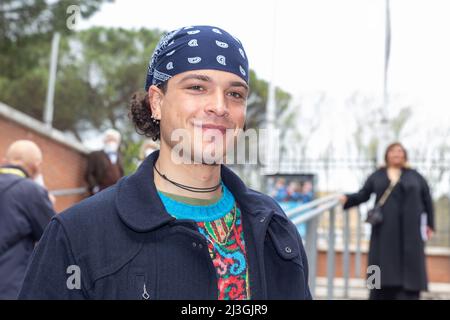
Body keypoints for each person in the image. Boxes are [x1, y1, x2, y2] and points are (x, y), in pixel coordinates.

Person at [18, 25, 311, 300]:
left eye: (235, 94)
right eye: (197, 87)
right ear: (157, 102)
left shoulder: (273, 225)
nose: (220, 107)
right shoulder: (78, 234)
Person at [339, 142, 434, 300]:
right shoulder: (377, 175)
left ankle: (409, 293)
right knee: (377, 260)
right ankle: (375, 291)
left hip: (410, 231)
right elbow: (364, 194)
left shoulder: (416, 176)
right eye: (392, 151)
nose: (396, 154)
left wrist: (430, 224)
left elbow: (427, 200)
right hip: (383, 230)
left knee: (411, 261)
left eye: (400, 151)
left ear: (405, 155)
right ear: (387, 155)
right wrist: (348, 198)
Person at [0, 140, 55, 299]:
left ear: (5, 161)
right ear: (37, 166)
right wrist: (46, 203)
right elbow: (52, 235)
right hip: (8, 286)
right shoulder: (32, 192)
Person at [85, 129, 124, 195]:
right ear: (104, 140)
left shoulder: (119, 156)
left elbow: (121, 173)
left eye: (114, 140)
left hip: (115, 191)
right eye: (110, 139)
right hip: (100, 191)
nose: (112, 142)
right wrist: (95, 187)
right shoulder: (95, 155)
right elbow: (89, 174)